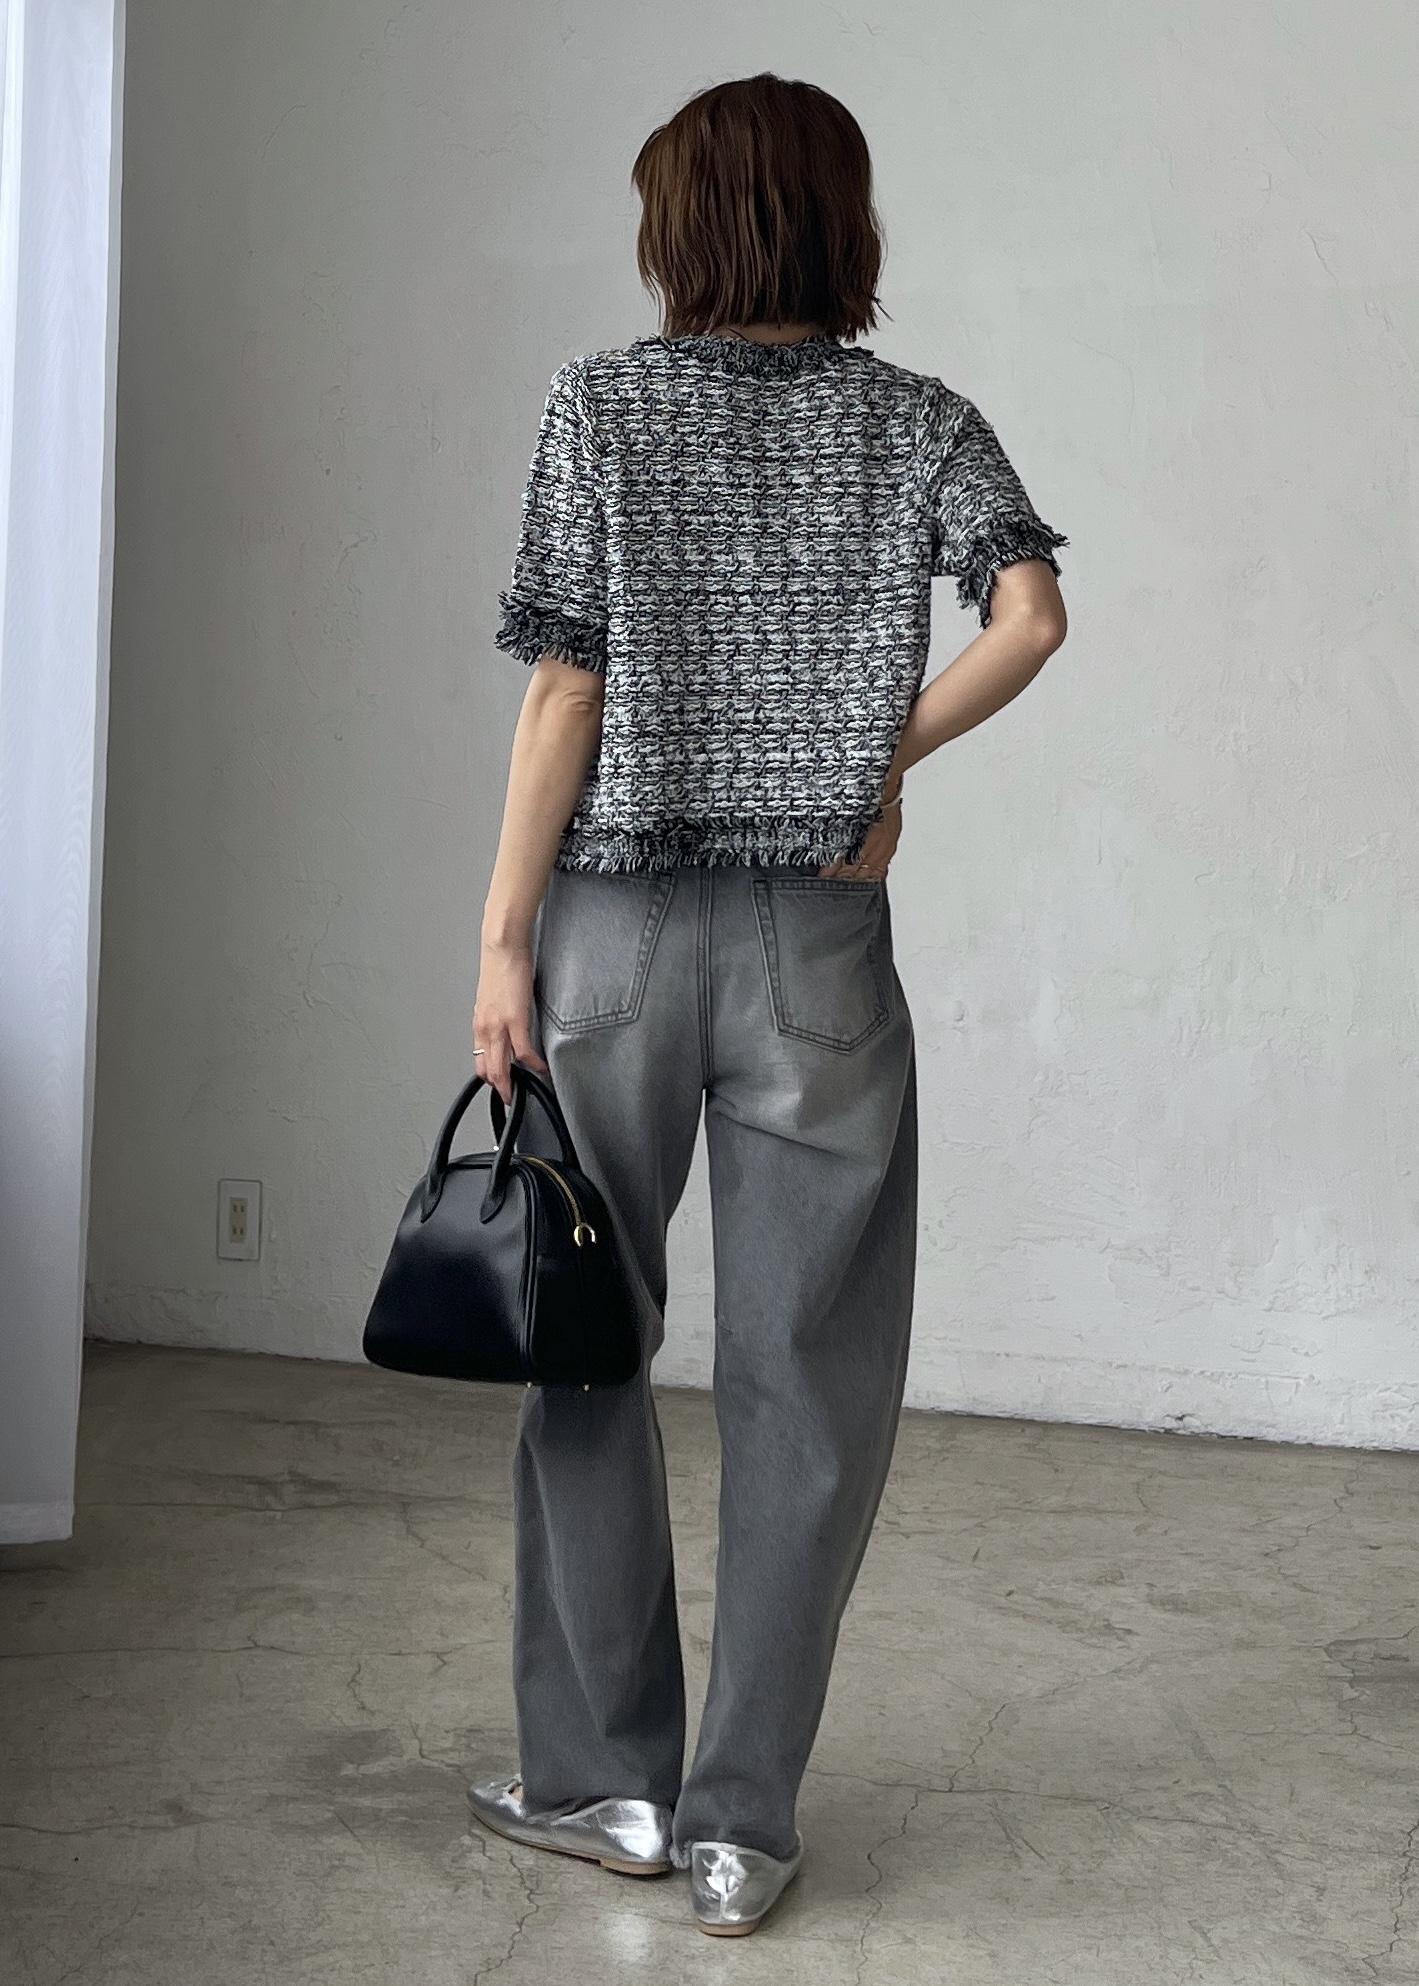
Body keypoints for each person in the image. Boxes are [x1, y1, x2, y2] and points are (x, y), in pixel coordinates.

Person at [466, 71, 1069, 1937]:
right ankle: (742, 1826)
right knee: (808, 1377)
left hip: (617, 934)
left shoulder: (601, 404)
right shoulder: (919, 419)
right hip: (820, 938)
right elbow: (1032, 617)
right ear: (838, 222)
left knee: (586, 1336)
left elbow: (568, 691)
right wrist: (880, 760)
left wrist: (500, 937)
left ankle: (607, 1783)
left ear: (686, 225)